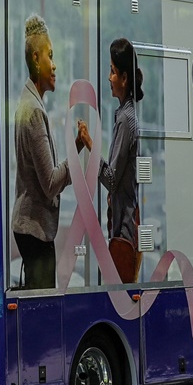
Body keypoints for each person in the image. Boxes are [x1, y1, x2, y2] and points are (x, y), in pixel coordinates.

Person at [12, 13, 83, 289]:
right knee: (43, 308)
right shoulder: (34, 112)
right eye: (49, 56)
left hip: (32, 229)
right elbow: (51, 184)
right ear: (35, 59)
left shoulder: (28, 103)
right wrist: (76, 154)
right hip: (36, 230)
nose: (54, 65)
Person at [80, 37, 144, 283]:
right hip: (124, 230)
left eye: (112, 71)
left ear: (124, 78)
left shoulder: (125, 120)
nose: (109, 78)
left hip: (123, 234)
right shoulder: (127, 116)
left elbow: (111, 179)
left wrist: (89, 143)